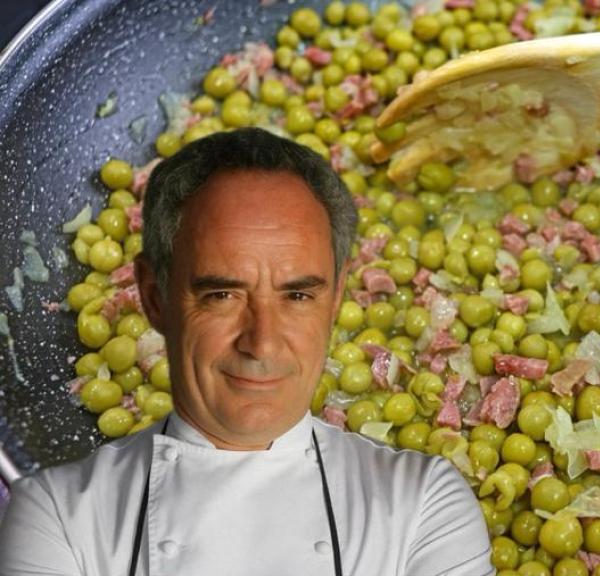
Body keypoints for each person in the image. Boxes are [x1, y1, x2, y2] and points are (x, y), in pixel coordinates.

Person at [0, 128, 494, 576]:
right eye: (221, 296)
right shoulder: (56, 514)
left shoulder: (424, 501)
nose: (261, 343)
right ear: (153, 297)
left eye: (298, 296)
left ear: (337, 299)